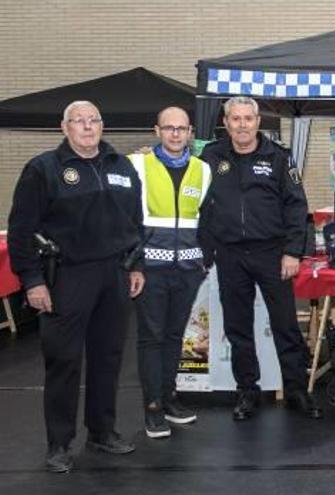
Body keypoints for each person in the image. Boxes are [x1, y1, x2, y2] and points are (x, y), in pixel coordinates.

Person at [7, 101, 144, 472]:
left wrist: (136, 265)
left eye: (94, 120)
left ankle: (102, 432)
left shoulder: (122, 167)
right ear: (63, 127)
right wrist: (32, 281)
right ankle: (59, 444)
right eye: (78, 121)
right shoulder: (44, 170)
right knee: (64, 362)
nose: (87, 127)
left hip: (114, 275)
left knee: (108, 359)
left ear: (103, 125)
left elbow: (135, 221)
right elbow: (20, 232)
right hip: (66, 277)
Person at [199, 96, 321, 421]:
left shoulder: (279, 157)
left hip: (272, 254)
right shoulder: (210, 156)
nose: (241, 125)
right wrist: (205, 248)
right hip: (229, 254)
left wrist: (293, 251)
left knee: (285, 325)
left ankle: (296, 390)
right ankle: (247, 391)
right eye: (235, 119)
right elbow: (199, 204)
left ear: (257, 122)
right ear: (225, 123)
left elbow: (296, 206)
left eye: (247, 119)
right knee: (238, 328)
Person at [128, 107, 211, 438]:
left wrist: (204, 260)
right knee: (151, 338)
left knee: (175, 336)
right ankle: (152, 409)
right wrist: (134, 264)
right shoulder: (137, 165)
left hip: (188, 269)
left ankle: (169, 397)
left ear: (191, 132)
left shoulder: (203, 171)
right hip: (150, 269)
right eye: (168, 128)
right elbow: (127, 218)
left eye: (181, 129)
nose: (175, 134)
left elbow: (208, 219)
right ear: (157, 130)